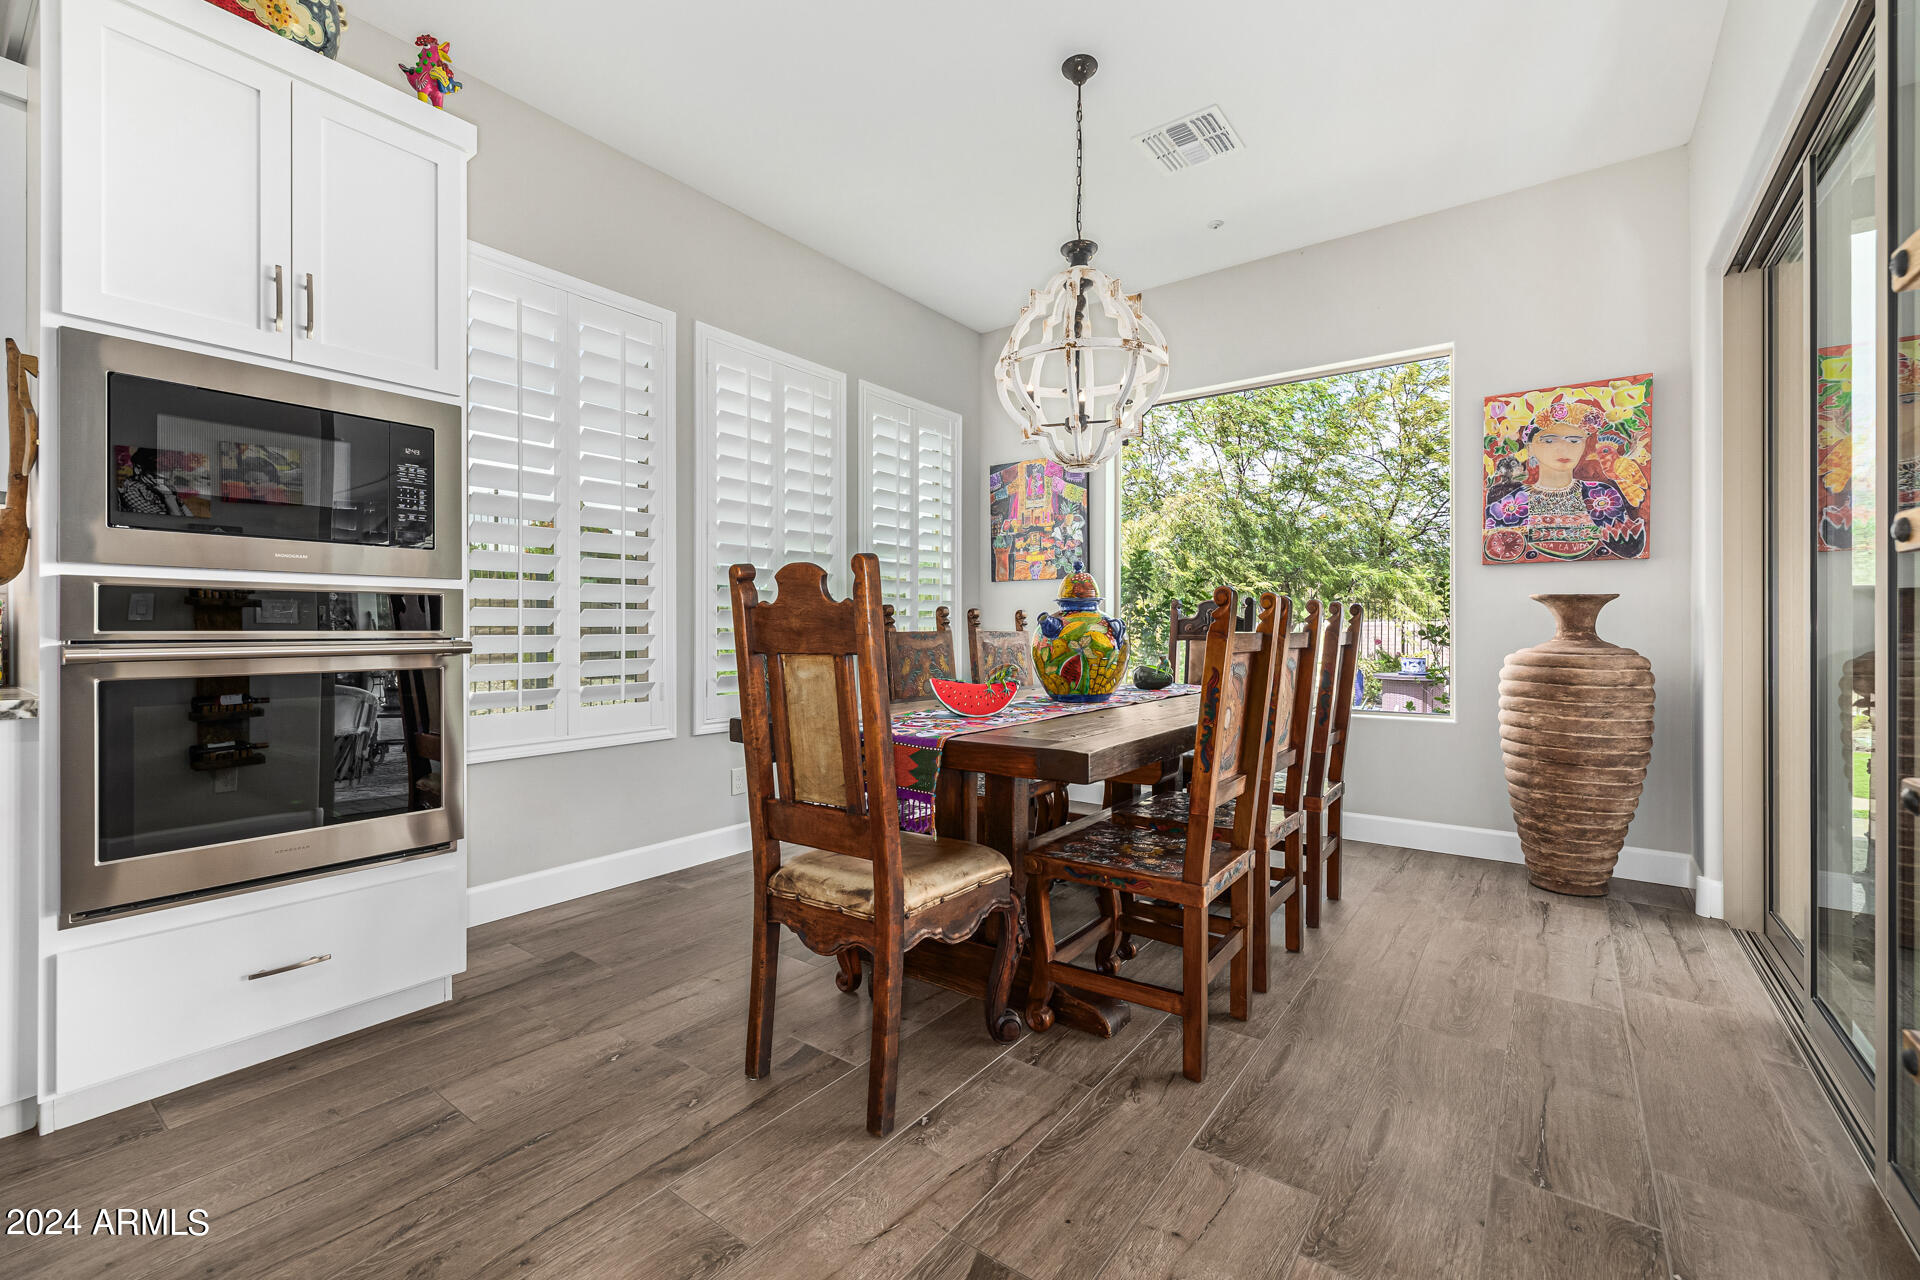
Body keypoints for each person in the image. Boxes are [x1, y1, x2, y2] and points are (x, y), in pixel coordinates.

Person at [1484, 401, 1645, 561]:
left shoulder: (1602, 495)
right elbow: (1496, 552)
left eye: (1574, 441)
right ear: (1530, 447)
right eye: (1549, 440)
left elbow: (1627, 546)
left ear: (1584, 445)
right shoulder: (1507, 505)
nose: (1563, 449)